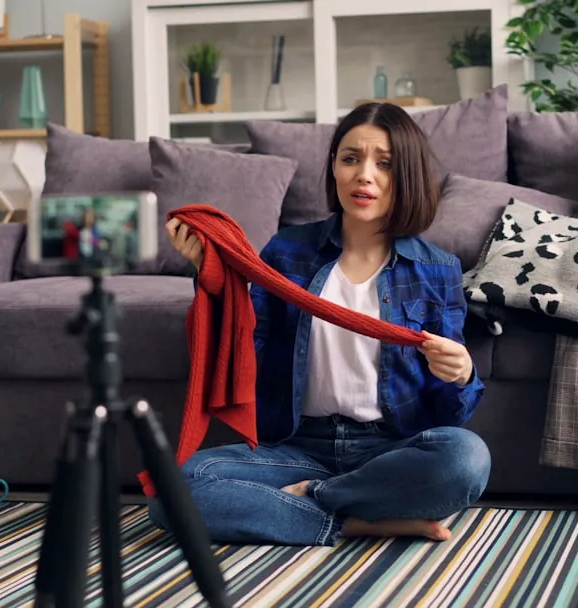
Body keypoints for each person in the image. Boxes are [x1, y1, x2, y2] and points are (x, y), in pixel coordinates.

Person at [150, 102, 491, 546]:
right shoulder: (287, 251)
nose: (363, 175)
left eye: (383, 164)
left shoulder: (437, 269)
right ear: (333, 167)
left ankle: (313, 500)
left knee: (466, 459)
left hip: (387, 450)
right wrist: (211, 280)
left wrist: (462, 374)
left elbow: (450, 414)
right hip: (297, 448)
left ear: (404, 175)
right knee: (170, 491)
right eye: (350, 158)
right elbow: (241, 357)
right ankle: (357, 521)